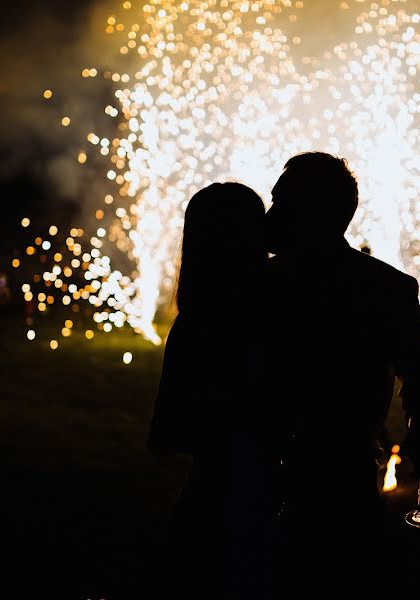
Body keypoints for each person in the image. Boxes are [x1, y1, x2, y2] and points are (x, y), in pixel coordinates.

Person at [264, 152, 420, 597]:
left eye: (281, 202)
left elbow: (419, 372)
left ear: (312, 213)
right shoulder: (385, 287)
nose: (269, 216)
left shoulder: (262, 287)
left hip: (304, 476)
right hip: (336, 474)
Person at [148, 182, 278, 599]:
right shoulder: (284, 306)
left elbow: (167, 432)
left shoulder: (197, 322)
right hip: (272, 486)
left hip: (220, 486)